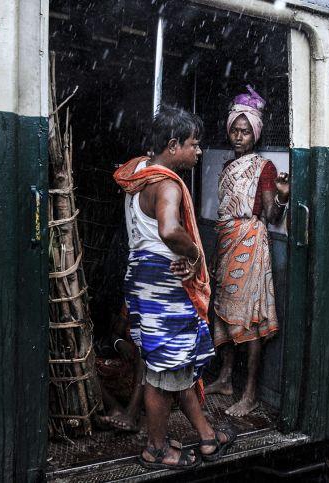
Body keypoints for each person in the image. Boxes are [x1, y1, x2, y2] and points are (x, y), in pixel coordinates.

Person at [113, 105, 236, 470]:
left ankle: (206, 436)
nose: (198, 151)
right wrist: (194, 253)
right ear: (173, 145)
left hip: (142, 277)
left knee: (171, 364)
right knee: (163, 372)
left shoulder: (138, 173)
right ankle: (155, 448)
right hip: (164, 283)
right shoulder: (166, 184)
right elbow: (168, 230)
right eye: (193, 144)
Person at [205, 85, 290, 417]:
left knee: (249, 319)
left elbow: (271, 215)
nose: (239, 137)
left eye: (246, 131)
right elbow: (224, 212)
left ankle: (251, 393)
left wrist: (281, 196)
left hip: (250, 245)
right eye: (235, 131)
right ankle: (226, 379)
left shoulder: (263, 168)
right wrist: (216, 254)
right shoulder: (228, 166)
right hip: (227, 242)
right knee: (223, 311)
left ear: (255, 134)